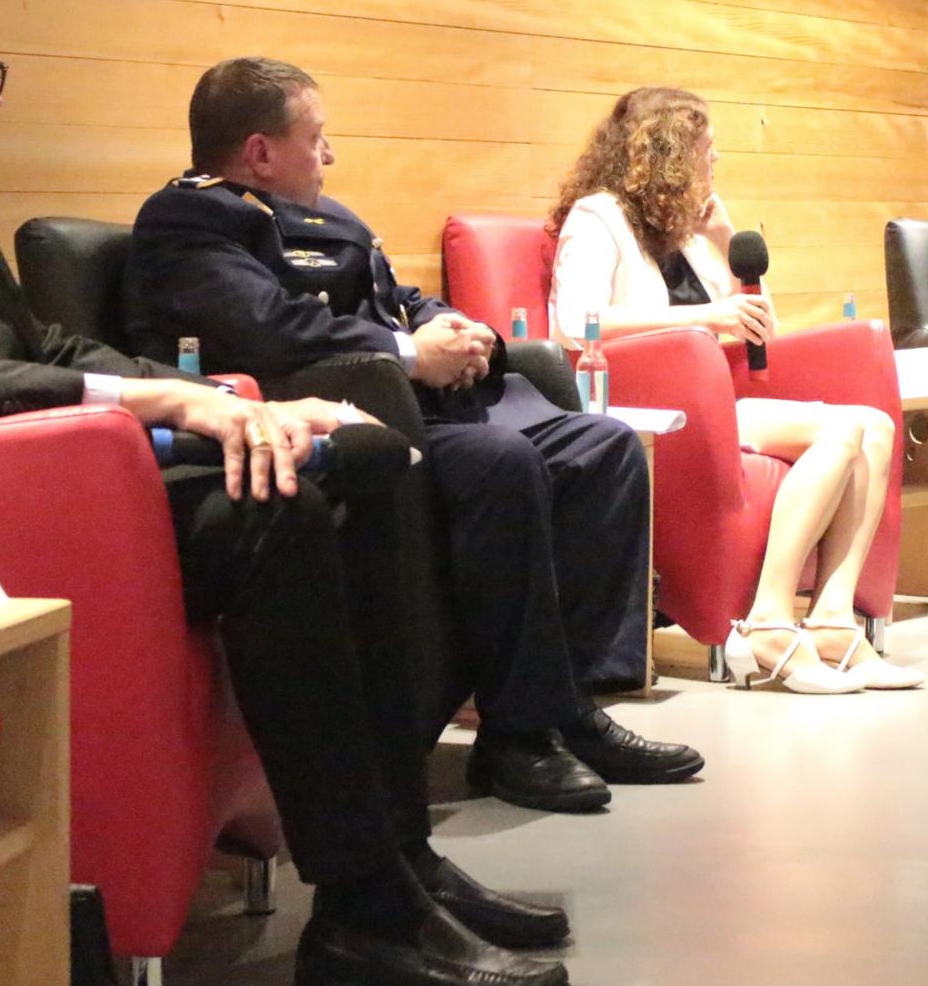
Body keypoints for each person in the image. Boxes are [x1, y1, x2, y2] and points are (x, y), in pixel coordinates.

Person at [0, 0, 571, 986]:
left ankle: (397, 856)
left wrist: (234, 398)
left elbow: (46, 343)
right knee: (275, 510)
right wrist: (168, 407)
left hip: (22, 490)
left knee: (361, 454)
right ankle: (360, 909)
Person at [126, 57, 703, 814]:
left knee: (604, 449)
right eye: (317, 138)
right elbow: (265, 327)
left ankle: (574, 707)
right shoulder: (190, 219)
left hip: (425, 403)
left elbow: (401, 296)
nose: (329, 155)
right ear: (261, 151)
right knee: (501, 460)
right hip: (340, 414)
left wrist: (445, 327)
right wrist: (406, 354)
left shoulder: (336, 219)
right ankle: (518, 737)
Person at [547, 87, 919, 694]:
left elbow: (755, 325)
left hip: (717, 398)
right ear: (668, 152)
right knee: (843, 430)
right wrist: (703, 321)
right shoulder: (598, 217)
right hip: (647, 403)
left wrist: (723, 243)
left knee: (873, 427)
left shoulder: (690, 232)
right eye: (705, 149)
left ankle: (830, 621)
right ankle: (770, 621)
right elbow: (572, 321)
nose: (714, 163)